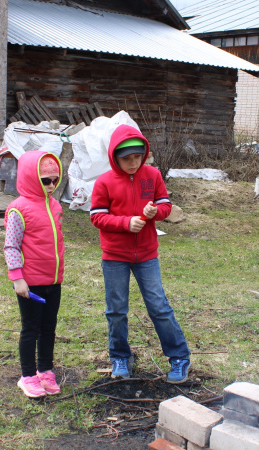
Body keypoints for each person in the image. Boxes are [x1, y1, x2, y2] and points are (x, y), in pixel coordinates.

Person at [89, 124, 192, 384]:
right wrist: (126, 222)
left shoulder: (153, 175)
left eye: (137, 157)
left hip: (147, 254)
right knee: (116, 310)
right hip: (114, 256)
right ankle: (120, 356)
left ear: (144, 153)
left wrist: (154, 213)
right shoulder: (104, 181)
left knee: (159, 306)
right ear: (115, 157)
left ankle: (179, 357)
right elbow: (96, 216)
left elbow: (165, 205)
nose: (133, 163)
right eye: (127, 159)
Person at [4, 150, 65, 398]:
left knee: (48, 328)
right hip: (30, 284)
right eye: (45, 180)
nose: (51, 186)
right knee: (31, 329)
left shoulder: (56, 205)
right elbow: (11, 245)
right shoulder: (18, 209)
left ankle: (45, 370)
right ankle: (27, 375)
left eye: (55, 179)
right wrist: (17, 277)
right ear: (31, 177)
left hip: (53, 281)